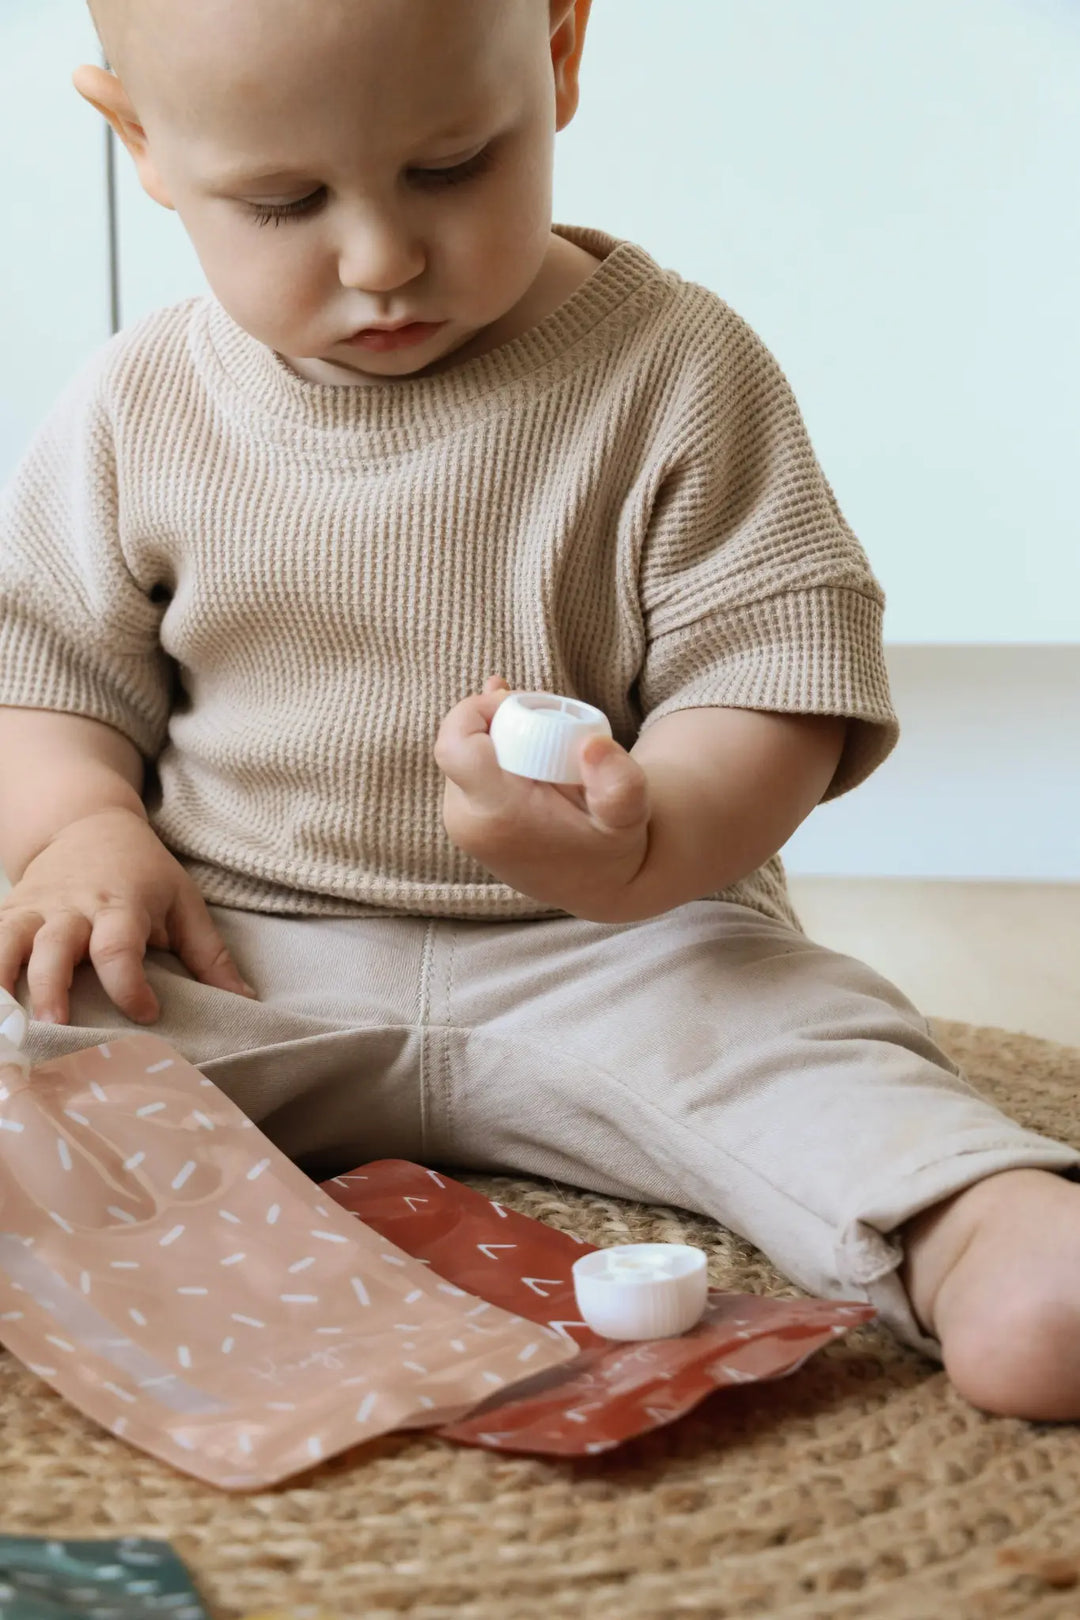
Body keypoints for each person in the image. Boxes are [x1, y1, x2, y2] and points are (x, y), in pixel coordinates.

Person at [1, 0, 1078, 1423]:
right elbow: (49, 674)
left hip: (624, 948)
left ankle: (980, 1232)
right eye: (283, 199)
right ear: (142, 142)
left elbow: (770, 678)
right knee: (42, 1025)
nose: (381, 257)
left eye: (451, 167)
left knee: (809, 1050)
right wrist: (82, 827)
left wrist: (651, 842)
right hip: (238, 942)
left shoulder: (678, 368)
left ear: (560, 57)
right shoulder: (136, 405)